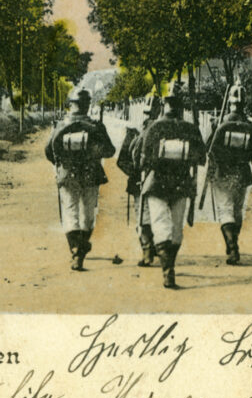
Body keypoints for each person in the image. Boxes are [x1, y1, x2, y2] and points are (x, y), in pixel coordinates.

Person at [134, 82, 206, 289]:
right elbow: (201, 158)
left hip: (157, 183)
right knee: (175, 227)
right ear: (181, 105)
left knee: (160, 224)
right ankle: (170, 268)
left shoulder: (154, 127)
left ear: (164, 104)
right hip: (182, 183)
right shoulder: (190, 129)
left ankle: (167, 271)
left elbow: (143, 161)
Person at [44, 89, 116, 271]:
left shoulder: (61, 125)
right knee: (88, 213)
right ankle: (82, 248)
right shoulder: (96, 126)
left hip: (67, 174)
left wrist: (61, 165)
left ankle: (75, 250)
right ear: (87, 105)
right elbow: (110, 150)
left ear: (71, 104)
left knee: (70, 212)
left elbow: (48, 150)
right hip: (91, 174)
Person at [205, 84, 252, 265]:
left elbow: (209, 150)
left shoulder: (220, 125)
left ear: (230, 103)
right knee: (237, 210)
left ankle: (232, 247)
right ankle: (233, 243)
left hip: (223, 173)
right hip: (242, 174)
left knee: (225, 210)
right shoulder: (250, 127)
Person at [116, 95, 161, 267]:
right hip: (159, 181)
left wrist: (134, 174)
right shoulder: (162, 131)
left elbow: (121, 161)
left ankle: (147, 250)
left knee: (142, 214)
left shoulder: (134, 132)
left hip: (138, 182)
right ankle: (153, 247)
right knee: (159, 215)